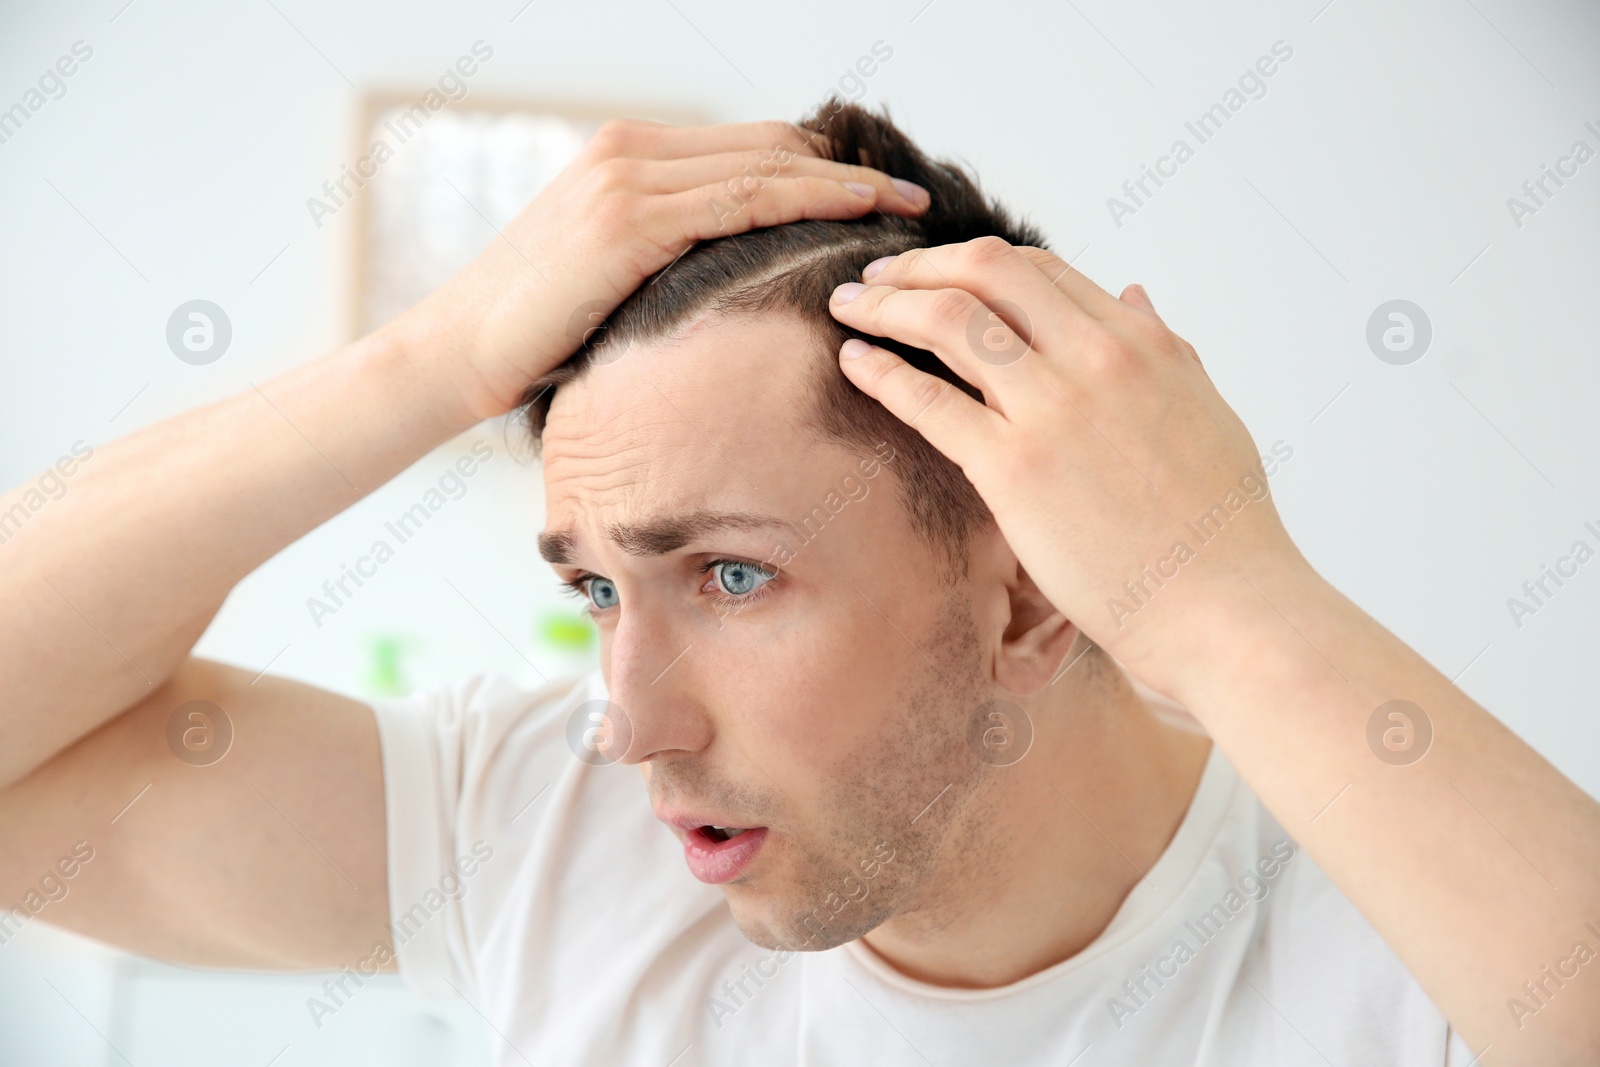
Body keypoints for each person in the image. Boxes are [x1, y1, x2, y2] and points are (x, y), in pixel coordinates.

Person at [0, 97, 1594, 1067]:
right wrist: (424, 364)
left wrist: (1216, 585)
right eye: (600, 590)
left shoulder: (1402, 958)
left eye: (733, 575)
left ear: (1034, 597)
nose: (627, 721)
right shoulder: (538, 829)